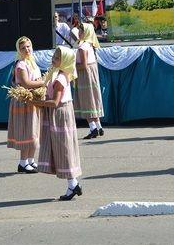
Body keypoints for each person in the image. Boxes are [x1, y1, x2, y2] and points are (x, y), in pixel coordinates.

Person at [30, 46, 83, 201]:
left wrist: (35, 102)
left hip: (60, 113)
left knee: (64, 148)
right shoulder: (56, 73)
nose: (54, 59)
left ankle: (73, 185)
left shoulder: (60, 78)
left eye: (57, 58)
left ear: (65, 61)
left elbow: (54, 102)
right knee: (61, 148)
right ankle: (73, 184)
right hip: (57, 113)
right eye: (54, 56)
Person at [8, 36, 45, 173]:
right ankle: (22, 163)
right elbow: (26, 83)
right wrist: (44, 83)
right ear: (19, 50)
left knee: (34, 130)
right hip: (24, 101)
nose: (27, 50)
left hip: (33, 100)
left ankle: (31, 160)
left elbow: (37, 78)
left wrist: (41, 83)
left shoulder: (32, 62)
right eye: (23, 48)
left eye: (28, 46)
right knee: (26, 131)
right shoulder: (21, 64)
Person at [74, 22, 104, 139]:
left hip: (85, 75)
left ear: (86, 33)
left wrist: (72, 67)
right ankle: (99, 126)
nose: (78, 33)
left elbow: (84, 65)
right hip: (91, 74)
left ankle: (93, 128)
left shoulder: (83, 47)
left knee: (86, 100)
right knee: (92, 99)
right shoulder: (89, 45)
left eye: (81, 31)